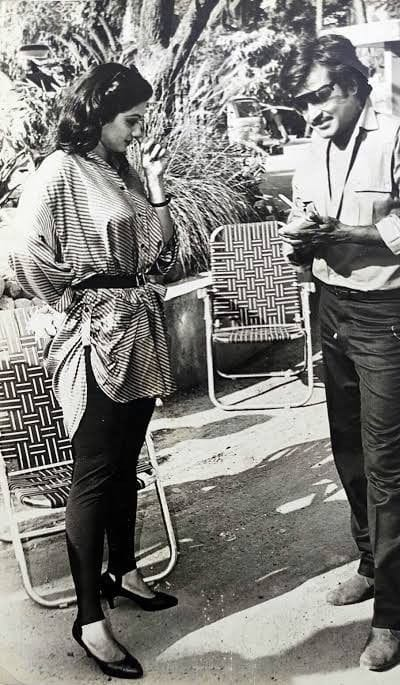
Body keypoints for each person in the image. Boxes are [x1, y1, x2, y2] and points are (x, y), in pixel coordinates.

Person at [280, 35, 400, 671]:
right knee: (346, 445)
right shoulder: (312, 153)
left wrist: (353, 232)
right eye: (303, 102)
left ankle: (392, 617)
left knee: (384, 459)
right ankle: (370, 562)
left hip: (388, 315)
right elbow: (305, 235)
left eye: (320, 95)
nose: (311, 111)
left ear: (352, 85)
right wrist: (299, 242)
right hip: (332, 308)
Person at [9, 62, 179, 680]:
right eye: (131, 120)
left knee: (126, 462)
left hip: (139, 330)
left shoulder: (123, 170)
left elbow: (160, 252)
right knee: (95, 473)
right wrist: (74, 299)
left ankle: (125, 571)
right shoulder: (60, 171)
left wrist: (156, 190)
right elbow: (25, 254)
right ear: (99, 113)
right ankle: (88, 620)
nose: (137, 131)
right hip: (95, 336)